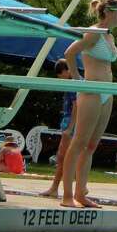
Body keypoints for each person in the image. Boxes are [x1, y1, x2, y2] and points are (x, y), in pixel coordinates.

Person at [60, 0, 117, 209]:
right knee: (78, 142)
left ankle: (81, 192)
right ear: (108, 12)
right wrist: (78, 80)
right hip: (91, 92)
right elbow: (70, 53)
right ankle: (67, 195)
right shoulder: (94, 32)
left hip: (106, 92)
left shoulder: (109, 37)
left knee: (90, 146)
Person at [41, 58, 79, 199]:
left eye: (60, 74)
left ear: (67, 70)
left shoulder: (73, 83)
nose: (59, 77)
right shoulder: (77, 80)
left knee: (63, 157)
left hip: (70, 121)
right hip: (70, 120)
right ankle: (62, 188)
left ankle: (55, 188)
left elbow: (77, 106)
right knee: (67, 157)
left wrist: (70, 127)